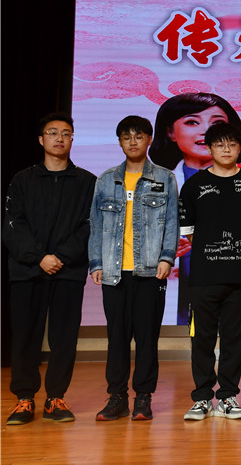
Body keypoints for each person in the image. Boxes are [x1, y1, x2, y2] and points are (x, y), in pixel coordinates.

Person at [150, 92, 241, 325]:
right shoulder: (155, 184)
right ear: (170, 132)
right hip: (178, 298)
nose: (206, 131)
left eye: (217, 123)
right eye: (192, 122)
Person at [4, 113, 96, 425]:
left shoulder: (87, 182)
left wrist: (61, 256)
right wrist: (40, 256)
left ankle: (56, 398)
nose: (59, 138)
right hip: (27, 270)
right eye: (53, 132)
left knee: (64, 337)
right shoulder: (22, 180)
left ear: (73, 139)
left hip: (68, 271)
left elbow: (89, 226)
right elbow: (13, 225)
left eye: (66, 133)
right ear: (41, 139)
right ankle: (24, 398)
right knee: (25, 336)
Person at [88, 115, 179, 422]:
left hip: (150, 271)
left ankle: (143, 397)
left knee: (147, 337)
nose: (133, 142)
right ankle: (117, 397)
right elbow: (95, 224)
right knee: (117, 338)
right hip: (114, 273)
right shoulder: (106, 179)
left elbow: (172, 221)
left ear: (149, 139)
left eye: (138, 136)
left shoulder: (165, 178)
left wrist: (167, 258)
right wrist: (97, 262)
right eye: (126, 137)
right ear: (120, 142)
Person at [179, 121, 241, 421]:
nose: (226, 149)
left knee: (235, 340)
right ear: (210, 148)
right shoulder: (194, 186)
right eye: (219, 144)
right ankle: (202, 398)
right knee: (201, 340)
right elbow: (189, 232)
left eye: (232, 144)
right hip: (203, 278)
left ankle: (228, 397)